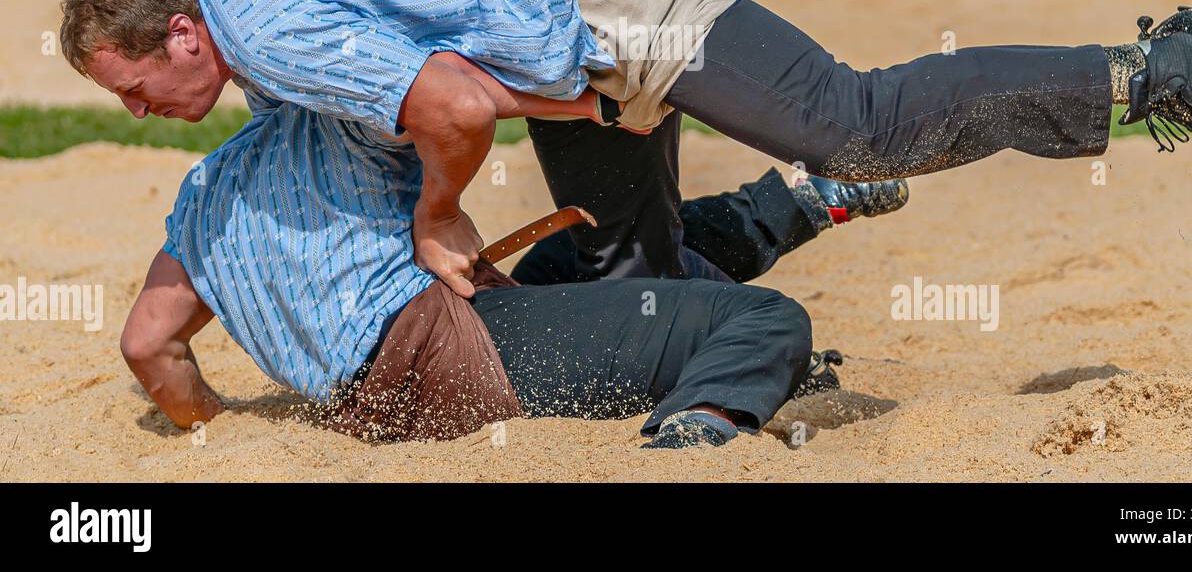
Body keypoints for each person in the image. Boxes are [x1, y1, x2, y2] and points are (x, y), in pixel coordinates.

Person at [59, 0, 1192, 309]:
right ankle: (786, 243)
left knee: (853, 124)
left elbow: (453, 108)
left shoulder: (255, 31)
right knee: (621, 283)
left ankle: (1162, 69)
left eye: (130, 89)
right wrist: (577, 115)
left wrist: (438, 220)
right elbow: (456, 85)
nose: (137, 113)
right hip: (575, 31)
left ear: (175, 33)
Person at [115, 75, 823, 448]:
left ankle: (799, 200)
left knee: (593, 246)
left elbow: (148, 343)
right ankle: (695, 425)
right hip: (468, 359)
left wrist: (223, 421)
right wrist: (594, 105)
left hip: (370, 404)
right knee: (767, 320)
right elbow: (462, 103)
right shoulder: (343, 116)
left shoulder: (206, 188)